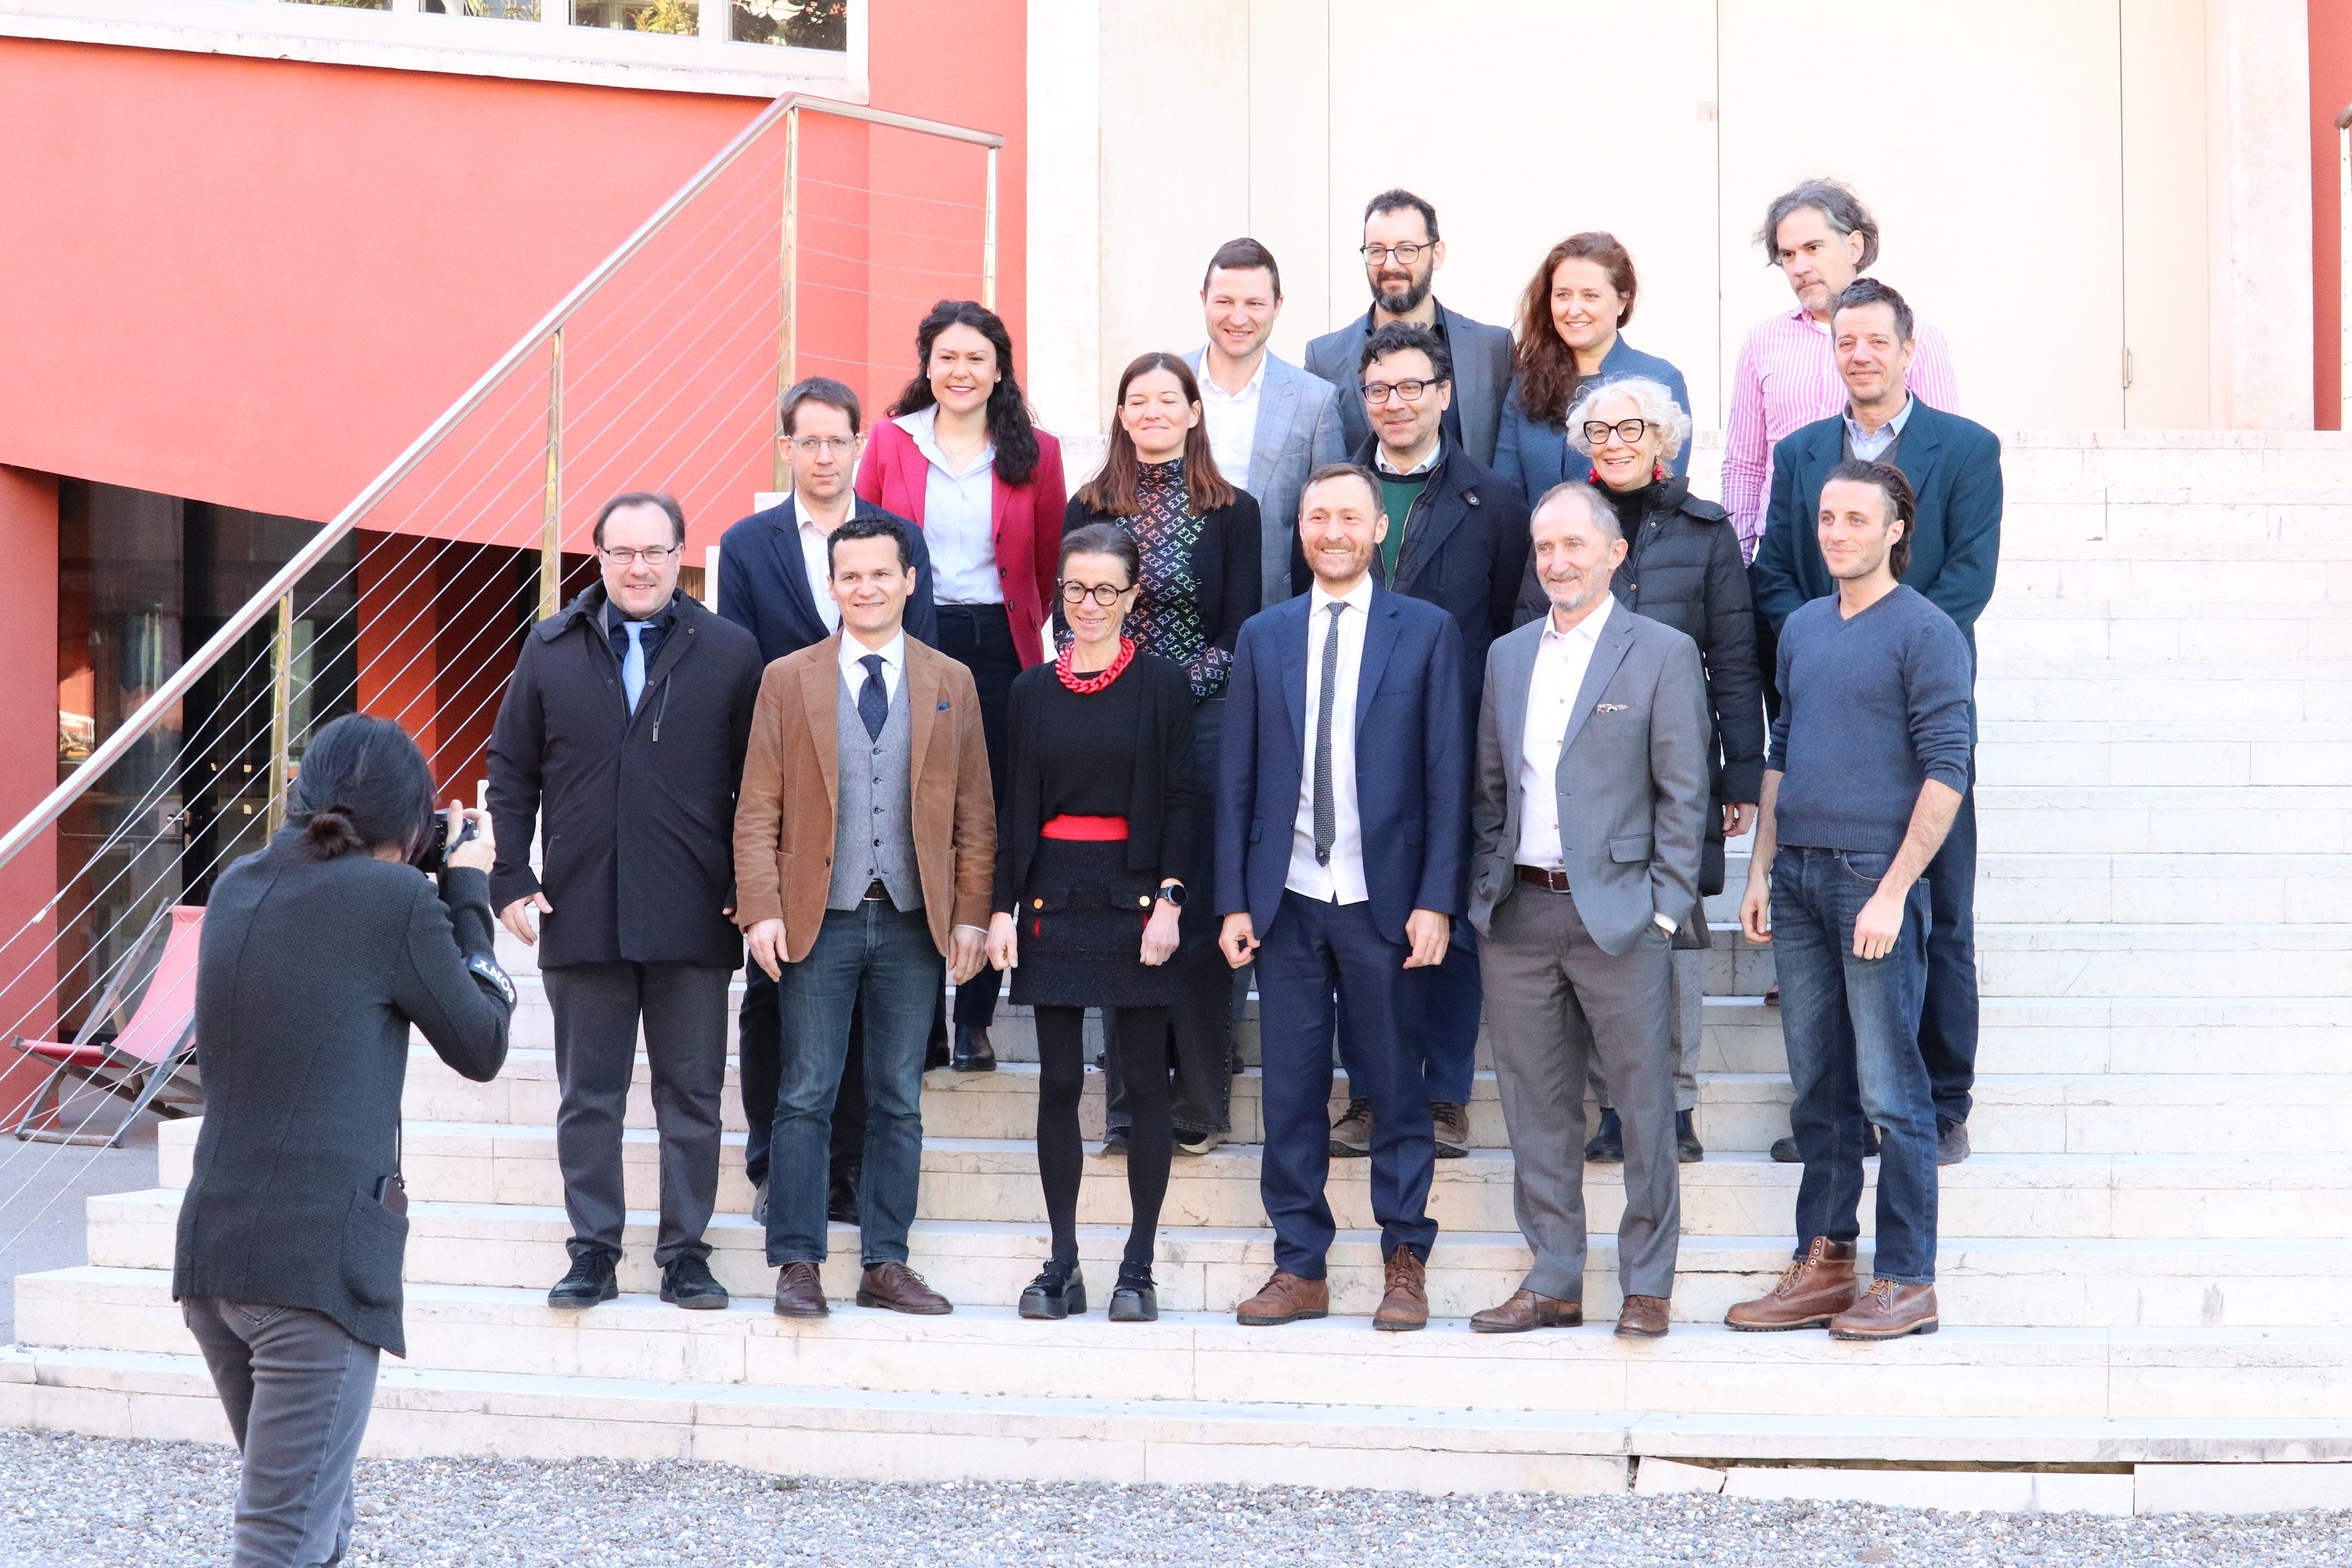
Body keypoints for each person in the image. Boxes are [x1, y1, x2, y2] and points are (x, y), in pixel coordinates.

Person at [176, 715, 511, 1568]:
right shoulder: (393, 900)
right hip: (314, 1270)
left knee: (308, 1518)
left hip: (217, 1257)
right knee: (283, 1538)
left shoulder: (238, 884)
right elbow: (483, 1043)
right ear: (413, 821)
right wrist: (468, 894)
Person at [488, 491, 764, 1314]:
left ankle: (685, 1254)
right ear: (598, 557)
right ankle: (594, 1251)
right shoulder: (549, 647)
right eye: (623, 552)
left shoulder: (730, 650)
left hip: (694, 909)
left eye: (655, 551)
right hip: (584, 905)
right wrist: (509, 871)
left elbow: (762, 781)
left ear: (681, 555)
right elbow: (511, 768)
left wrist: (749, 885)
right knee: (589, 1095)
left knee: (692, 1095)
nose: (639, 567)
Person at [1751, 278, 2001, 1167]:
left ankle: (1941, 1100)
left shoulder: (1967, 450)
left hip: (1921, 717)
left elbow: (1968, 579)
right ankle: (1840, 1115)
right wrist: (1825, 649)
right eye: (1843, 341)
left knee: (1942, 908)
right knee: (1833, 924)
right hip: (1824, 721)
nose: (1859, 354)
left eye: (1875, 341)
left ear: (1906, 350)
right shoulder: (1801, 451)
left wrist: (1880, 640)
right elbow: (1776, 572)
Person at [1217, 463, 1467, 1334]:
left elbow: (1447, 773)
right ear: (1302, 530)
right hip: (1284, 897)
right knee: (1288, 1089)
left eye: (1348, 517)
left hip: (1383, 899)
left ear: (1378, 532)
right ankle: (1299, 1265)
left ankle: (1405, 1259)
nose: (1331, 530)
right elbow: (1238, 777)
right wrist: (1233, 901)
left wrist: (1437, 898)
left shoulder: (1426, 632)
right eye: (1317, 516)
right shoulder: (1264, 634)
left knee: (1397, 1087)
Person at [1726, 460, 1972, 1341]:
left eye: (1855, 519)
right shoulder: (1800, 627)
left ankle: (1907, 1278)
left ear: (1895, 528)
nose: (1836, 533)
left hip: (1874, 875)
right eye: (1827, 517)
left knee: (1893, 1091)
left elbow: (1948, 768)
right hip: (1795, 877)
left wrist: (1895, 890)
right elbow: (1781, 748)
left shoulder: (1928, 631)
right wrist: (1759, 869)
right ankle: (1826, 1263)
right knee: (1818, 1087)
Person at [733, 514, 996, 1319]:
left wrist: (972, 917)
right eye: (850, 575)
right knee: (806, 1090)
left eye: (881, 573)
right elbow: (758, 807)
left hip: (916, 920)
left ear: (910, 579)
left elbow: (974, 813)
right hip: (822, 915)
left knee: (897, 1096)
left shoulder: (951, 679)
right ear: (832, 583)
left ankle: (886, 1260)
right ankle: (798, 1261)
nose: (867, 588)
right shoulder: (789, 678)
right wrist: (760, 910)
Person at [1464, 482, 1709, 1340]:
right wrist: (1483, 894)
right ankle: (1554, 1275)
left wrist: (1666, 910)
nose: (1558, 561)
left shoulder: (1663, 651)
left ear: (1614, 553)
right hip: (1521, 914)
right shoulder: (1506, 655)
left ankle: (1646, 1283)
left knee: (1644, 1106)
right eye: (1544, 548)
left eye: (1575, 544)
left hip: (1622, 917)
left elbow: (1687, 793)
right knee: (1536, 1104)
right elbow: (1492, 790)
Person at [717, 376, 940, 1232]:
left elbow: (932, 679)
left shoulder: (897, 540)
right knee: (777, 1004)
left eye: (835, 440)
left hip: (883, 818)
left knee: (871, 1034)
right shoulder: (748, 543)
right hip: (790, 808)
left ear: (859, 445)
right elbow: (742, 679)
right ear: (787, 447)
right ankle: (778, 1164)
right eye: (805, 441)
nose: (821, 455)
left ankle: (851, 1174)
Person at [1530, 377, 1763, 1168]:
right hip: (1584, 764)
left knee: (1676, 935)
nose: (1615, 442)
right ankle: (1613, 1109)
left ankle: (1678, 1103)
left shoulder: (1705, 533)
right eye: (1598, 431)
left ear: (1662, 438)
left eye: (1631, 428)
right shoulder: (1565, 526)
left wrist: (1741, 771)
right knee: (1598, 929)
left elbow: (1733, 656)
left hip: (1675, 765)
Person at [1322, 321, 1528, 1163]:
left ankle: (1443, 1095)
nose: (1395, 403)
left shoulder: (1494, 499)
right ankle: (1370, 1090)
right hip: (1350, 733)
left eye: (1412, 387)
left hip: (1458, 737)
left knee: (1451, 914)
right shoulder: (1339, 496)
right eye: (1379, 390)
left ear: (1445, 393)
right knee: (1354, 910)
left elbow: (1515, 621)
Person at [986, 524, 1197, 1323]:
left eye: (1107, 588)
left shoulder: (1162, 684)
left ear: (1134, 595)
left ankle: (1137, 1266)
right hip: (1052, 899)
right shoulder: (1031, 691)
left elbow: (1181, 798)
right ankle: (1063, 1261)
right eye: (1076, 588)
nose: (1090, 603)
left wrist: (1171, 901)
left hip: (1137, 899)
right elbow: (1016, 811)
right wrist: (1001, 905)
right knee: (1060, 1082)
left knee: (1143, 1083)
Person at [857, 299, 1068, 1072]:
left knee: (988, 817)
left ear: (1000, 368)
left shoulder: (1036, 452)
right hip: (912, 639)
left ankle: (974, 1015)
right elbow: (871, 547)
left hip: (1000, 647)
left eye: (976, 358)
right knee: (914, 813)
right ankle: (919, 1017)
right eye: (946, 356)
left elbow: (1046, 565)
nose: (960, 371)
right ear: (926, 364)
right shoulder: (890, 442)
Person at [1065, 352, 1261, 1155]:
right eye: (1135, 399)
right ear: (1121, 414)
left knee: (1200, 902)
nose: (1150, 411)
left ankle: (1198, 1101)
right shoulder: (1088, 503)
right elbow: (1067, 609)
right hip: (1109, 718)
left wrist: (1169, 690)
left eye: (1166, 399)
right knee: (1122, 900)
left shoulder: (1231, 509)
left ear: (1192, 412)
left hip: (1204, 718)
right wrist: (1116, 691)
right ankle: (1126, 1099)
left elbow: (1241, 624)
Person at [1724, 178, 1960, 565]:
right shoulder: (1762, 341)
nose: (1800, 267)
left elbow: (1944, 461)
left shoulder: (1917, 337)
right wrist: (1739, 566)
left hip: (1891, 556)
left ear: (1854, 246)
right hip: (1789, 556)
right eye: (1787, 255)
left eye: (1813, 248)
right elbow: (1744, 466)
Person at [1186, 237, 1347, 612]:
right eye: (1224, 301)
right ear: (1203, 300)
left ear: (1277, 306)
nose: (1238, 318)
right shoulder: (1166, 385)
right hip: (1171, 606)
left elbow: (1329, 513)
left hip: (1270, 605)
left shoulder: (1315, 400)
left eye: (1254, 304)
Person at [1305, 189, 1514, 465]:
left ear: (1436, 254)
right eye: (1377, 251)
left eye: (1406, 250)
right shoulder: (1324, 359)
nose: (1390, 265)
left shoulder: (1493, 349)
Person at [1494, 232, 1695, 501]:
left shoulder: (1659, 380)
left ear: (1622, 300)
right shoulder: (1527, 380)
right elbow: (1506, 491)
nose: (1574, 309)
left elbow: (1665, 494)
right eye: (1563, 295)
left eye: (1590, 296)